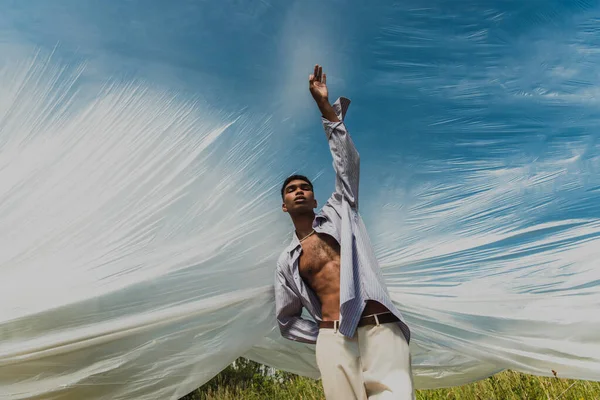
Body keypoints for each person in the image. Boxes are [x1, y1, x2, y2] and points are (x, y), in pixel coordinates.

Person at [274, 64, 416, 400]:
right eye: (291, 189)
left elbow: (347, 163)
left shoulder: (341, 210)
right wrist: (323, 334)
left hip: (379, 327)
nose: (298, 191)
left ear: (314, 197)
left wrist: (326, 108)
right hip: (333, 339)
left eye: (305, 187)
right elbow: (287, 320)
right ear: (284, 205)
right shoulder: (287, 260)